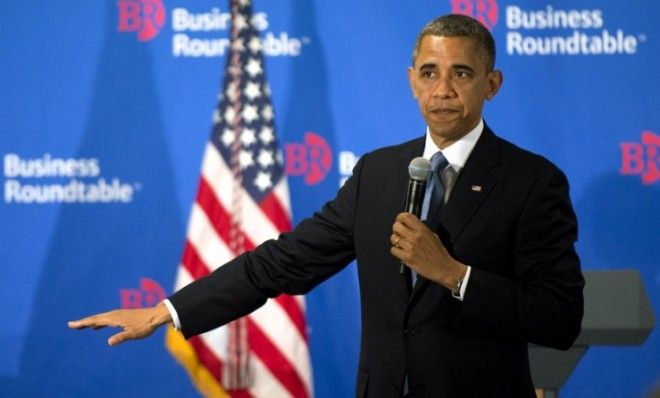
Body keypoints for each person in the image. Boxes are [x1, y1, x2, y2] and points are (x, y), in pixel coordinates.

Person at [70, 14, 584, 397]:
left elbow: (560, 319)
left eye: (462, 74)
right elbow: (280, 262)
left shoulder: (532, 182)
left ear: (492, 84)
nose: (443, 90)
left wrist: (454, 274)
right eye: (429, 72)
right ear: (411, 80)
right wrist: (169, 310)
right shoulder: (379, 173)